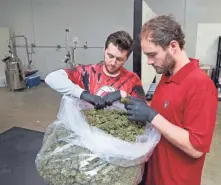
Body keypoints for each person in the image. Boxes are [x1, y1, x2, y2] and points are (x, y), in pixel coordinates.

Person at [124, 15, 218, 185]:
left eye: (152, 54)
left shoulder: (200, 85)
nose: (149, 61)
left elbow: (196, 148)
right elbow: (169, 114)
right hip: (154, 175)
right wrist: (140, 106)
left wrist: (152, 116)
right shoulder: (167, 75)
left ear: (173, 46)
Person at [45, 31, 146, 108]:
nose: (113, 62)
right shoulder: (87, 72)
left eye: (119, 59)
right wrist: (82, 94)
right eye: (110, 56)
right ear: (104, 50)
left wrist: (123, 95)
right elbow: (51, 78)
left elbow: (142, 107)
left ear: (126, 58)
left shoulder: (132, 79)